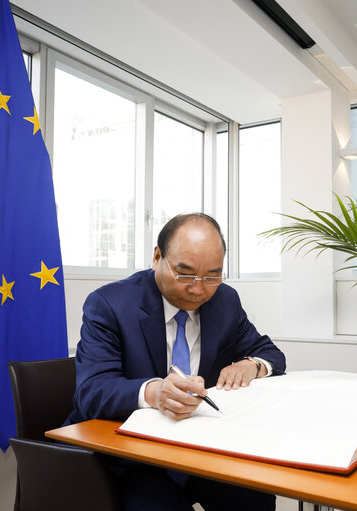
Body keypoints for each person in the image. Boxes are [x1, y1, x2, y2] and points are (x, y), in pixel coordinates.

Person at [66, 213, 286, 511]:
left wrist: (251, 365)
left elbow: (271, 354)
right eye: (184, 273)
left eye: (212, 275)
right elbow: (92, 392)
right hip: (126, 455)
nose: (198, 289)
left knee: (255, 497)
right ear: (157, 257)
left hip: (196, 449)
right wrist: (155, 393)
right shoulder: (110, 305)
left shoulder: (224, 300)